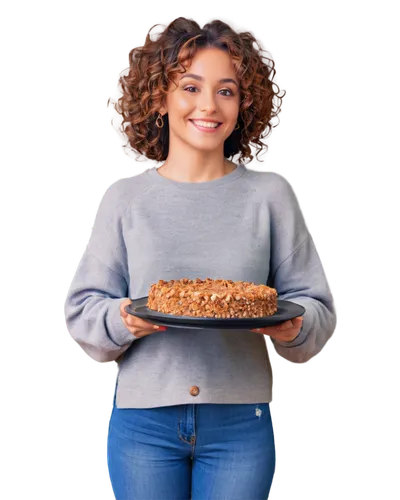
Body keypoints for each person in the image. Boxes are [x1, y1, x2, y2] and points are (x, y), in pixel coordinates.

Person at [63, 16, 337, 500]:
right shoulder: (126, 201)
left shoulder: (270, 195)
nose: (209, 105)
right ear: (158, 99)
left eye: (227, 90)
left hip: (241, 423)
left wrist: (295, 329)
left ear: (245, 103)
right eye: (190, 86)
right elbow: (82, 315)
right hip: (142, 424)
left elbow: (315, 307)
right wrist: (125, 317)